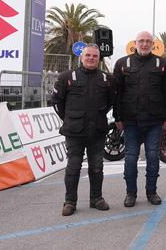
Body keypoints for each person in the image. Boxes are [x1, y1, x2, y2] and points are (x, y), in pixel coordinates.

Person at [52, 44, 114, 216]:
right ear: (81, 57)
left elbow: (110, 102)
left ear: (99, 59)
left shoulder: (107, 79)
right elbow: (57, 102)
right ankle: (70, 201)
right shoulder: (66, 77)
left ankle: (96, 199)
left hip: (98, 131)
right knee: (73, 166)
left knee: (97, 167)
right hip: (74, 131)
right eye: (88, 55)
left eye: (95, 56)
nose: (91, 58)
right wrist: (70, 119)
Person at [113, 31, 166, 207]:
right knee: (131, 158)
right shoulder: (122, 63)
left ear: (153, 44)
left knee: (153, 157)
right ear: (135, 43)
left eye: (148, 41)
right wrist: (117, 117)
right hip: (131, 121)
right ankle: (130, 193)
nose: (144, 44)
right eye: (141, 41)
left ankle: (151, 192)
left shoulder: (162, 64)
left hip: (154, 121)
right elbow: (117, 93)